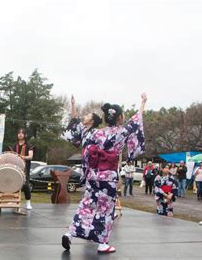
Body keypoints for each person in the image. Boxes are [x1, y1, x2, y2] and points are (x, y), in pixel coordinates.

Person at [62, 93, 146, 254]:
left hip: (93, 175)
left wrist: (86, 171)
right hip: (108, 176)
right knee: (105, 209)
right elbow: (136, 121)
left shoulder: (94, 133)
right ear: (120, 118)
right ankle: (102, 243)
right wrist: (143, 103)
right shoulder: (121, 132)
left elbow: (81, 140)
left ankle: (70, 233)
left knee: (86, 205)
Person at [8, 129, 35, 210]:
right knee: (14, 184)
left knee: (26, 185)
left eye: (22, 133)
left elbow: (30, 157)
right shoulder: (14, 145)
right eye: (19, 133)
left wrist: (21, 157)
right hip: (15, 168)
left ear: (24, 135)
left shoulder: (29, 145)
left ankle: (28, 203)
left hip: (25, 168)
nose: (20, 134)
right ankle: (13, 200)